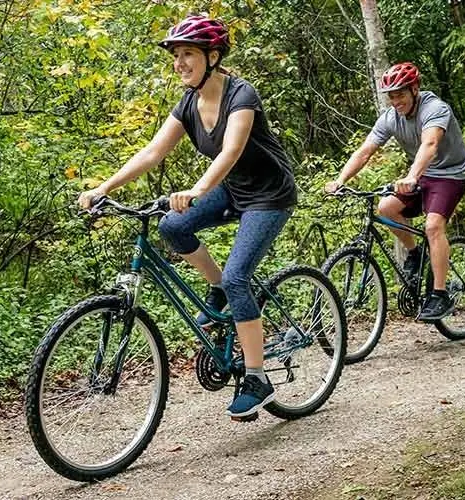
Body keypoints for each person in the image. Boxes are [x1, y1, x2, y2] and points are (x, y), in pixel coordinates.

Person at [78, 14, 297, 419]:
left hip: (268, 196)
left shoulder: (241, 96)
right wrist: (104, 187)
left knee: (237, 277)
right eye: (177, 55)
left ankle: (256, 377)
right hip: (233, 190)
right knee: (173, 226)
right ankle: (217, 288)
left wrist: (197, 190)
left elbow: (230, 151)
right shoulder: (188, 103)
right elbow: (152, 152)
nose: (180, 62)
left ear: (213, 56)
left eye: (188, 54)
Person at [324, 62, 465, 321]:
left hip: (450, 174)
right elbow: (365, 151)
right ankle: (415, 254)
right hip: (422, 174)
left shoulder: (435, 109)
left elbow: (430, 143)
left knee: (433, 226)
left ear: (415, 89)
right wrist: (340, 180)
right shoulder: (391, 118)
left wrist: (412, 176)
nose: (396, 101)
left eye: (400, 94)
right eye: (391, 96)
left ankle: (439, 294)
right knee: (386, 208)